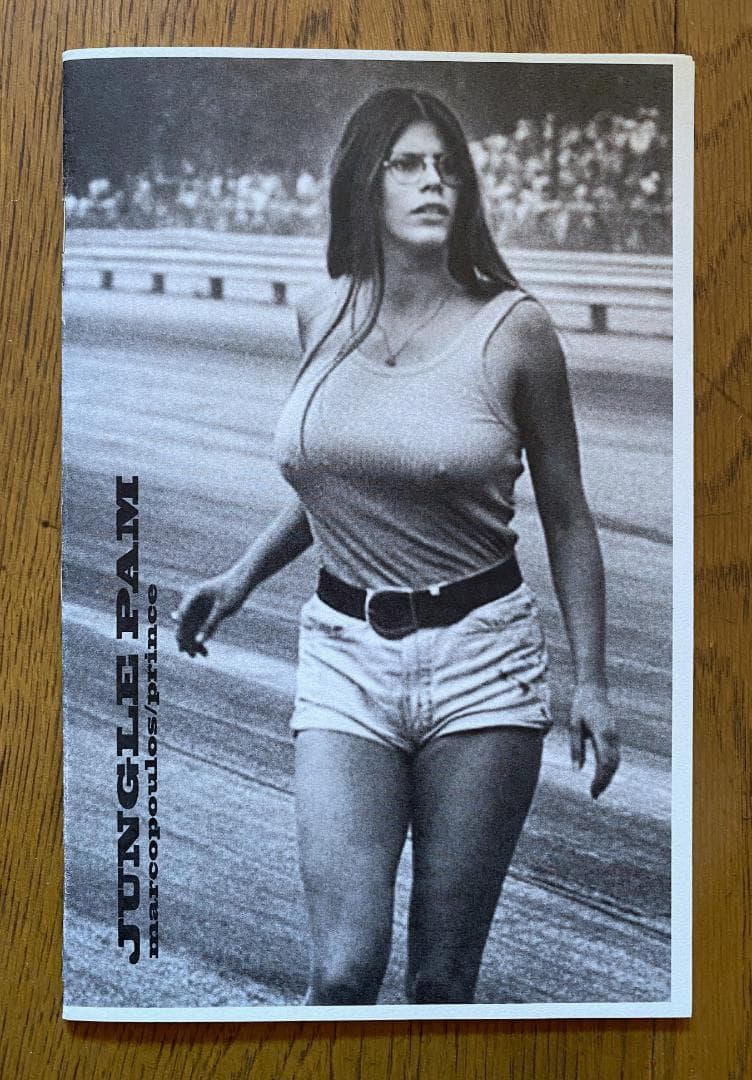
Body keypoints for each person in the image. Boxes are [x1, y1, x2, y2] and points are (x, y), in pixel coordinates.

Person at [172, 88, 620, 1006]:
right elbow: (344, 480)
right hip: (345, 660)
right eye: (408, 165)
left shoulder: (517, 331)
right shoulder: (320, 314)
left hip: (482, 663)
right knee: (342, 971)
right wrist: (241, 576)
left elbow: (569, 516)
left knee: (441, 980)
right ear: (363, 183)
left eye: (447, 166)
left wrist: (594, 682)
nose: (433, 183)